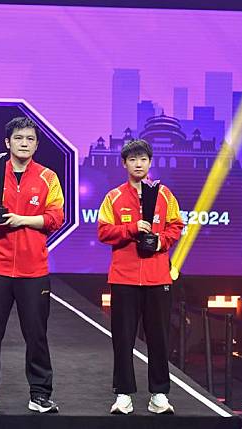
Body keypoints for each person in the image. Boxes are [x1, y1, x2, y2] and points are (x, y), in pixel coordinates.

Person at [0, 116, 64, 413]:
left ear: (36, 145)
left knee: (36, 335)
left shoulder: (48, 178)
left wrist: (21, 220)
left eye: (30, 139)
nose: (24, 143)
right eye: (19, 138)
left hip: (33, 271)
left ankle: (40, 394)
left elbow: (56, 218)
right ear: (7, 143)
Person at [97, 139, 184, 415]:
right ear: (124, 164)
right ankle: (123, 394)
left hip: (158, 279)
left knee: (158, 338)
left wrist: (159, 242)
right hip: (123, 278)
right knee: (122, 338)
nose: (138, 164)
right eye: (132, 159)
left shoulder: (165, 195)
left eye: (143, 159)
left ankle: (159, 394)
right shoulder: (113, 197)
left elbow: (176, 226)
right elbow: (103, 232)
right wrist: (131, 229)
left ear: (150, 163)